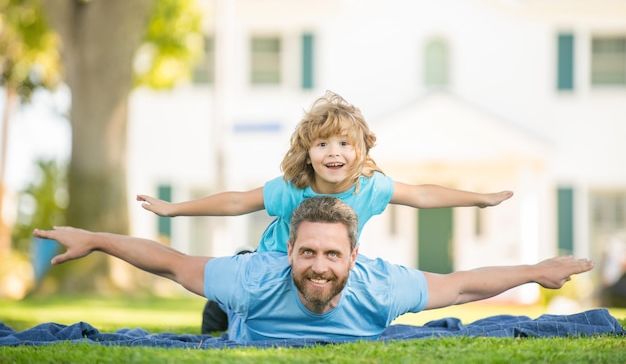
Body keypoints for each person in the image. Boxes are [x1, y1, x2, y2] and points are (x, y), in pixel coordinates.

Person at [136, 91, 514, 332]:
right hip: (273, 267)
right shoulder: (292, 188)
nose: (334, 153)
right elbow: (237, 202)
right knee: (237, 304)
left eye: (344, 143)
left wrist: (479, 198)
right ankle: (219, 317)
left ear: (361, 150)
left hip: (327, 273)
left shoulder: (371, 187)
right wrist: (175, 210)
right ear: (308, 153)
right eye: (322, 144)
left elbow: (423, 195)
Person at [32, 196, 594, 342]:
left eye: (332, 254)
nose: (319, 266)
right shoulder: (258, 275)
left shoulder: (380, 284)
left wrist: (535, 269)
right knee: (216, 312)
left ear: (354, 256)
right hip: (241, 309)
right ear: (288, 251)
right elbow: (172, 262)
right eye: (308, 252)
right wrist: (97, 241)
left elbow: (464, 284)